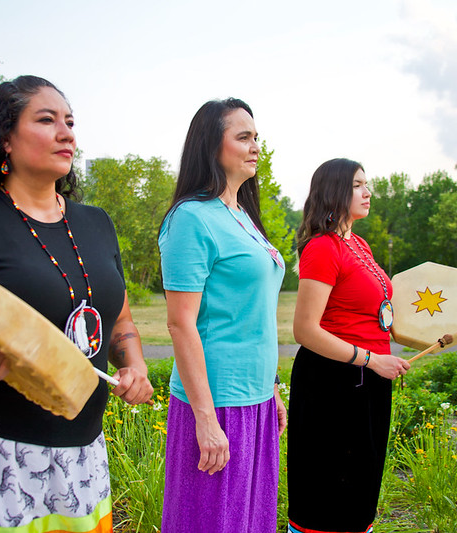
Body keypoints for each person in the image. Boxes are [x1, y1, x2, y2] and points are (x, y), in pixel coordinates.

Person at [0, 75, 153, 532]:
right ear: (5, 138)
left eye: (70, 122)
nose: (67, 133)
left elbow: (119, 321)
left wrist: (134, 365)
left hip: (81, 454)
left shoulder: (97, 224)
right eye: (46, 120)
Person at [158, 98, 287, 532]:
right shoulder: (192, 219)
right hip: (216, 402)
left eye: (257, 138)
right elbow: (181, 323)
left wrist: (271, 387)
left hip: (256, 399)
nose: (255, 147)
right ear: (212, 146)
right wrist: (206, 419)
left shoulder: (242, 215)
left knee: (250, 521)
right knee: (213, 522)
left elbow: (250, 314)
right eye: (244, 137)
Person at [287, 158, 411, 533]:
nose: (368, 192)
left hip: (369, 377)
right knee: (329, 489)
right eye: (358, 184)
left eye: (366, 183)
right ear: (335, 191)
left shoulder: (358, 244)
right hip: (333, 382)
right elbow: (305, 330)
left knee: (361, 482)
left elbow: (375, 312)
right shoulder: (323, 248)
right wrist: (372, 360)